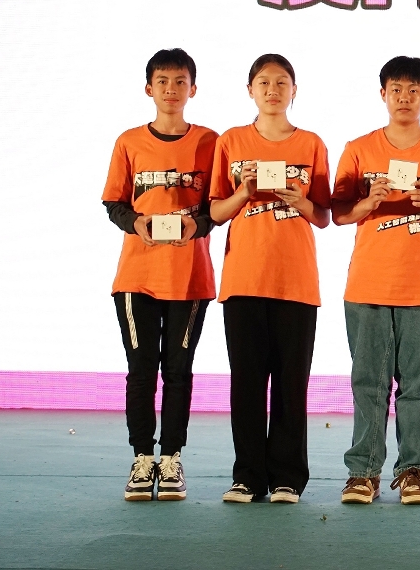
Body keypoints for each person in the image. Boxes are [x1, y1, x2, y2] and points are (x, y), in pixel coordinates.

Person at [331, 57, 420, 506]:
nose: (404, 98)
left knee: (416, 386)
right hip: (368, 284)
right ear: (383, 94)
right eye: (396, 90)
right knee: (368, 383)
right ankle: (363, 473)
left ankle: (413, 471)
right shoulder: (358, 149)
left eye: (413, 90)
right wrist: (368, 202)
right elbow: (339, 213)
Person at [210, 54, 331, 504]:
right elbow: (215, 212)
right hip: (243, 279)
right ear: (250, 90)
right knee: (246, 383)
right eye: (264, 82)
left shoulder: (311, 144)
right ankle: (247, 476)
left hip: (295, 281)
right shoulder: (231, 141)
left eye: (282, 83)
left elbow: (324, 216)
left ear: (294, 90)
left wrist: (300, 201)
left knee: (290, 385)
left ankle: (287, 478)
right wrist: (244, 191)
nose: (273, 90)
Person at [101, 48, 218, 501]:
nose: (172, 89)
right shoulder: (129, 141)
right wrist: (137, 223)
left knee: (179, 371)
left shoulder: (210, 142)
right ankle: (141, 458)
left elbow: (217, 207)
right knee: (141, 370)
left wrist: (196, 225)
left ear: (194, 89)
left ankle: (171, 458)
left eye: (180, 81)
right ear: (149, 88)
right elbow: (114, 203)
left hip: (190, 278)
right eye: (163, 81)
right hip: (138, 277)